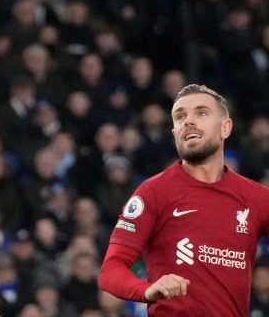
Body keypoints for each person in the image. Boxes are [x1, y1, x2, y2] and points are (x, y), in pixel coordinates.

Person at [98, 84, 269, 316]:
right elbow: (111, 271)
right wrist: (147, 290)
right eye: (180, 116)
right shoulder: (154, 192)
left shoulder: (257, 198)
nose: (188, 121)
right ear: (174, 133)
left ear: (226, 128)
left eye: (201, 113)